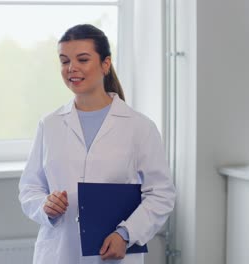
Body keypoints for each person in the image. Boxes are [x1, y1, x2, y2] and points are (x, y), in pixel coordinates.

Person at [18, 24, 176, 264]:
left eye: (82, 59)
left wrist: (125, 234)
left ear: (105, 63)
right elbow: (30, 188)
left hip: (114, 255)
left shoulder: (139, 127)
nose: (72, 69)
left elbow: (161, 194)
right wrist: (45, 206)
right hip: (59, 253)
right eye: (64, 61)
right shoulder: (49, 125)